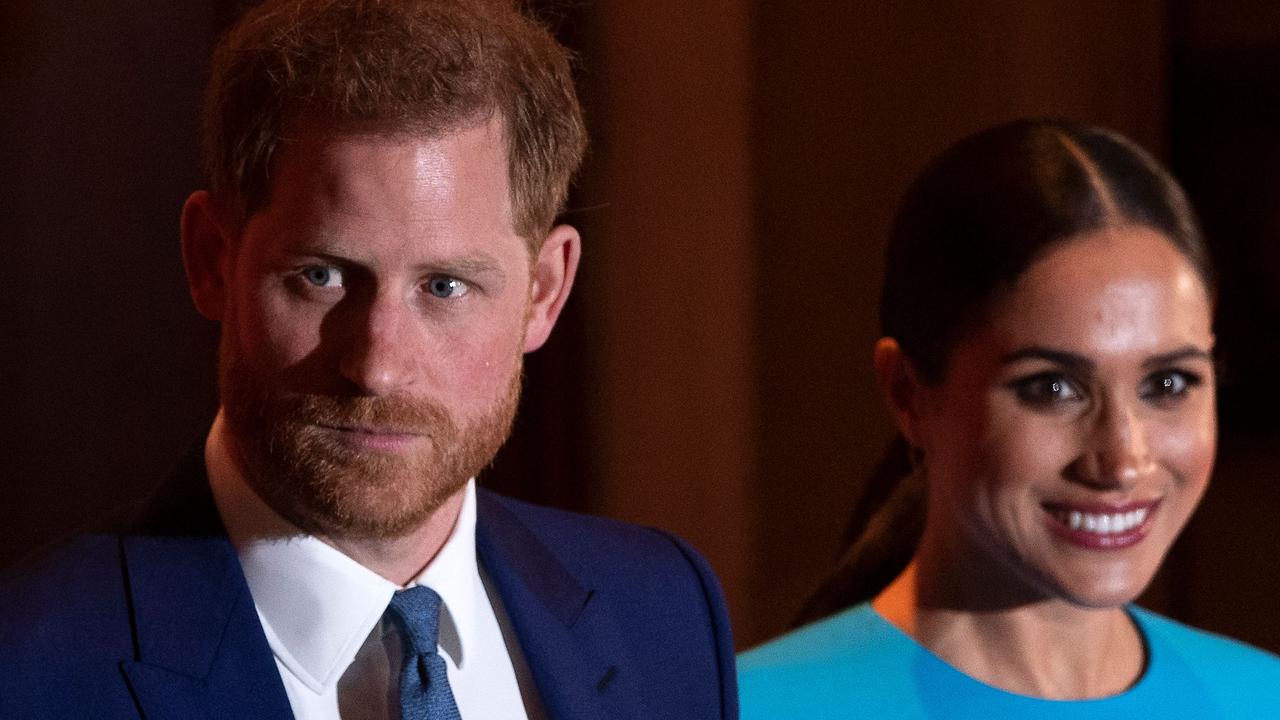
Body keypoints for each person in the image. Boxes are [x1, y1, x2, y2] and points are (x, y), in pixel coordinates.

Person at [0, 2, 736, 719]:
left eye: (445, 287)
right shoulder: (29, 672)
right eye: (321, 276)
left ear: (544, 292)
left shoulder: (664, 614)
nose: (376, 367)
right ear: (212, 260)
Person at [738, 119, 1280, 717]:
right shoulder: (750, 706)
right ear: (908, 394)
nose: (1124, 459)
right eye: (1051, 387)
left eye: (1168, 383)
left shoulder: (1261, 698)